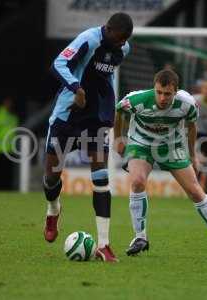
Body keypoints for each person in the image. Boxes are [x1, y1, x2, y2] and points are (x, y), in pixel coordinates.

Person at [114, 69, 207, 259]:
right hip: (141, 143)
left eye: (167, 93)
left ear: (176, 91)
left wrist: (192, 155)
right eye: (159, 92)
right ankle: (140, 237)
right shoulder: (137, 100)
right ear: (154, 88)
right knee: (137, 182)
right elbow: (119, 112)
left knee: (196, 191)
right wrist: (118, 139)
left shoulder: (187, 104)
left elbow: (191, 126)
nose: (162, 98)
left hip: (172, 146)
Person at [43, 12, 133, 262]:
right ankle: (53, 209)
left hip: (97, 117)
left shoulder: (124, 48)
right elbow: (58, 63)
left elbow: (105, 77)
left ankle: (104, 244)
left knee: (101, 177)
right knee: (51, 178)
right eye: (119, 38)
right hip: (69, 113)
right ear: (109, 29)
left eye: (126, 39)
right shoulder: (89, 39)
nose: (122, 43)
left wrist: (106, 108)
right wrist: (77, 88)